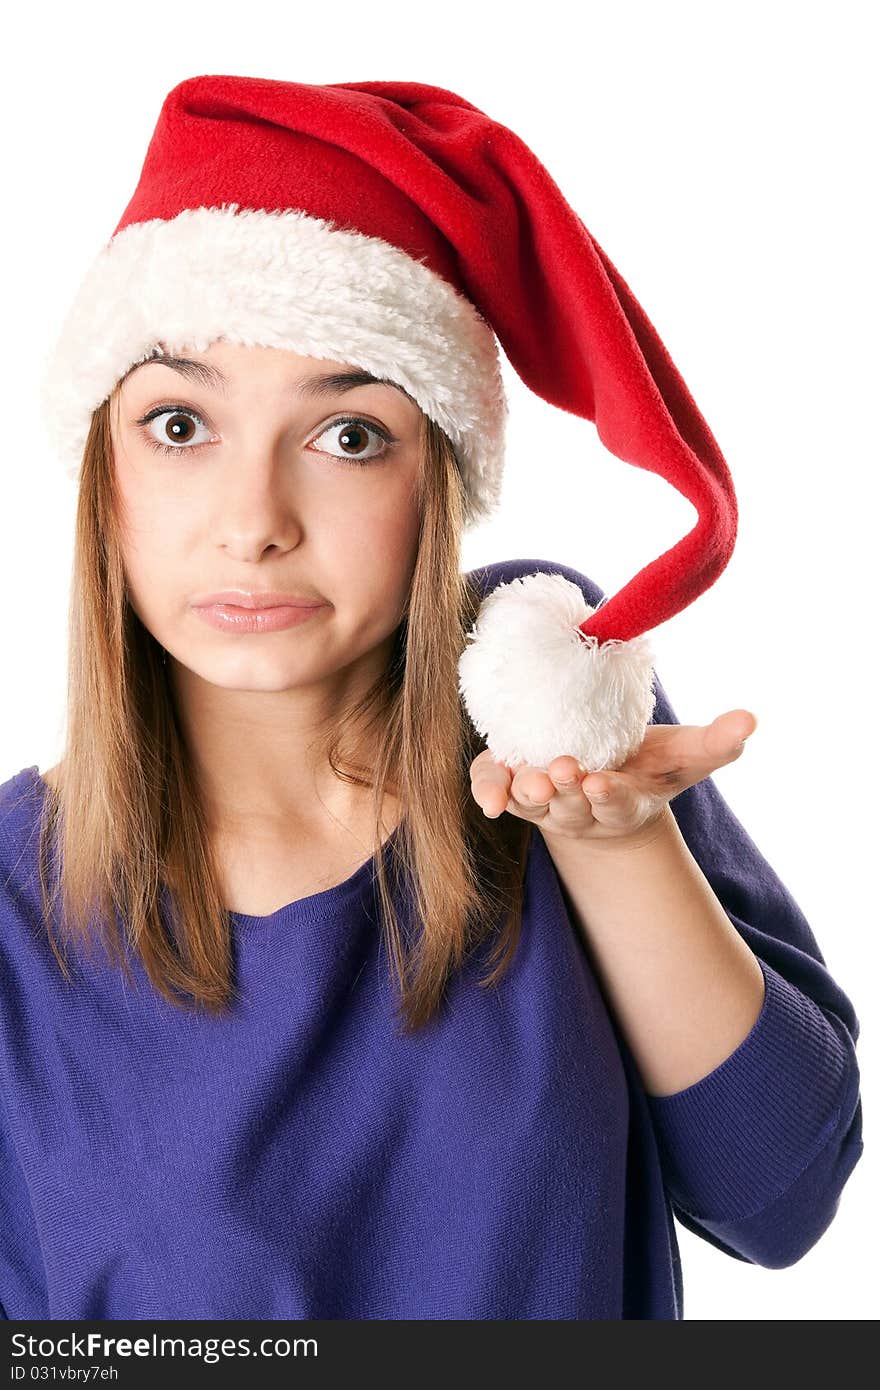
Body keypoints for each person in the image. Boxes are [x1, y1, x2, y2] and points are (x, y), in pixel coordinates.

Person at [0, 74, 863, 1320]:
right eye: (180, 425)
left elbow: (782, 1200)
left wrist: (618, 848)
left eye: (348, 434)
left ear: (437, 479)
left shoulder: (550, 725)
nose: (253, 527)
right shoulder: (18, 909)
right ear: (104, 473)